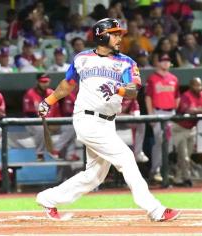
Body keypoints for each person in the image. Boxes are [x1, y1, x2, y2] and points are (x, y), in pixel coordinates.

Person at [35, 18, 180, 222]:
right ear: (101, 35)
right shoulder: (82, 58)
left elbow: (133, 91)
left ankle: (48, 198)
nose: (119, 37)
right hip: (86, 119)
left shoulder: (127, 62)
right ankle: (154, 209)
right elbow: (67, 85)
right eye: (115, 33)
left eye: (119, 33)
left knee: (94, 176)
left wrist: (118, 88)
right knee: (126, 158)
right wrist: (48, 101)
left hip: (107, 122)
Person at [145, 53, 180, 183]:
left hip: (170, 113)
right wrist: (151, 114)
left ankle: (163, 169)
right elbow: (148, 97)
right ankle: (156, 170)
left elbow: (177, 96)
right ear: (158, 63)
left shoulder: (174, 78)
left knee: (169, 144)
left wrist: (174, 110)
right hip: (158, 113)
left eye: (167, 60)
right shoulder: (152, 78)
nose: (165, 63)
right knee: (159, 142)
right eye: (163, 60)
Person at [23, 73, 61, 162]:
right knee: (41, 129)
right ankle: (40, 154)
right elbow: (30, 114)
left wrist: (56, 123)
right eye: (42, 82)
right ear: (37, 82)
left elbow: (57, 112)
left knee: (69, 128)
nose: (44, 84)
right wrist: (45, 123)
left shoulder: (52, 93)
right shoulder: (30, 94)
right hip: (33, 122)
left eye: (46, 82)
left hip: (51, 122)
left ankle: (63, 152)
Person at [171, 77, 202, 187]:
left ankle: (177, 178)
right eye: (196, 85)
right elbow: (189, 110)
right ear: (191, 86)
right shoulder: (186, 96)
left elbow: (195, 110)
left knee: (186, 156)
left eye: (200, 85)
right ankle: (186, 178)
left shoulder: (200, 95)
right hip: (180, 128)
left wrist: (197, 109)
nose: (199, 88)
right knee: (184, 156)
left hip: (191, 129)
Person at [117, 98, 149, 163]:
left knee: (141, 123)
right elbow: (111, 114)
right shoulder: (115, 96)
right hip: (111, 122)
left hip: (125, 122)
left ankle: (138, 152)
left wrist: (121, 115)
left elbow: (136, 115)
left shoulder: (132, 98)